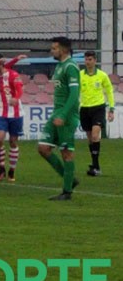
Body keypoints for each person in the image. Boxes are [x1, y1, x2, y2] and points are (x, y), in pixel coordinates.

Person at [38, 37, 80, 201]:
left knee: (66, 152)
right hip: (57, 113)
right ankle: (70, 179)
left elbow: (74, 94)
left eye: (54, 48)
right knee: (43, 148)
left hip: (67, 116)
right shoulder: (59, 66)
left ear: (63, 50)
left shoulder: (70, 67)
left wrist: (63, 114)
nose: (52, 51)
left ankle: (67, 192)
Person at [79, 50, 115, 176]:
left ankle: (96, 167)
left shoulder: (102, 75)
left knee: (95, 135)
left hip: (98, 108)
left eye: (90, 60)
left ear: (95, 61)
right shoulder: (80, 75)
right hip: (84, 108)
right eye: (86, 60)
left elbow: (109, 91)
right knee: (90, 138)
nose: (88, 62)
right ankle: (95, 165)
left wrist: (111, 109)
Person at [0, 54, 27, 182]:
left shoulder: (13, 75)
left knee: (13, 141)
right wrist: (16, 59)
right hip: (1, 113)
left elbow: (19, 89)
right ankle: (1, 168)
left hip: (16, 114)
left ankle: (12, 170)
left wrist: (16, 98)